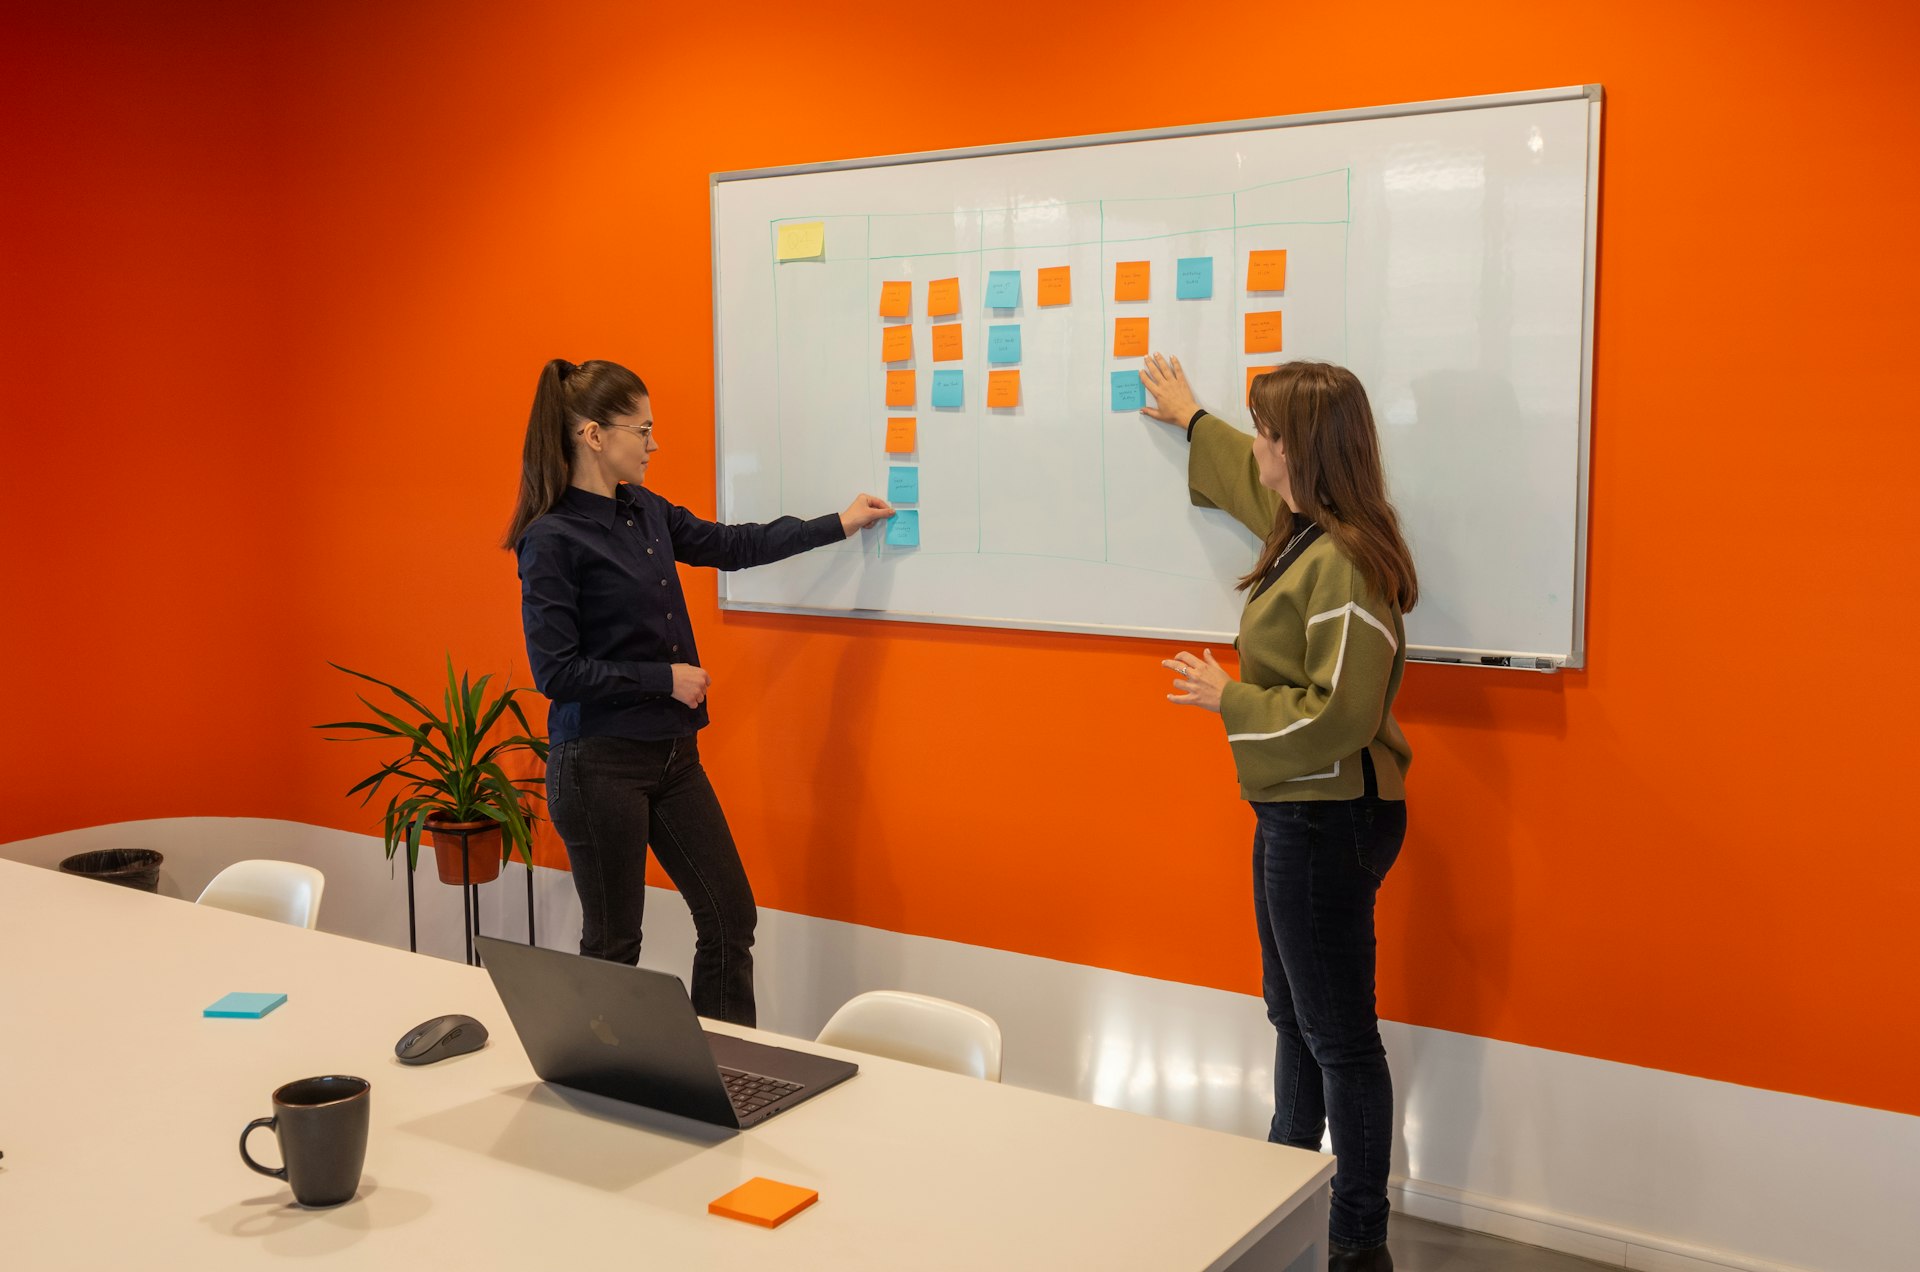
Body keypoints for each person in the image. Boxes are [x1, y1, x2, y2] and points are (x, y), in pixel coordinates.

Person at [504, 358, 893, 1027]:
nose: (654, 445)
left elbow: (731, 544)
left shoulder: (645, 511)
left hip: (673, 757)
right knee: (614, 944)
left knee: (729, 915)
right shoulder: (551, 539)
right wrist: (664, 678)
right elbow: (556, 673)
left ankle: (721, 1071)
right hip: (597, 765)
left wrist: (838, 522)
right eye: (643, 430)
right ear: (594, 435)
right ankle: (599, 1086)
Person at [1140, 353, 1416, 1272]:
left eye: (1265, 432)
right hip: (1300, 813)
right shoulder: (1305, 532)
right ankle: (1281, 1190)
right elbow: (1247, 490)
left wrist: (1229, 700)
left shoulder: (1345, 566)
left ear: (1298, 450)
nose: (1255, 445)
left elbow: (1342, 713)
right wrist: (1191, 420)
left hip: (1329, 816)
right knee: (1294, 1017)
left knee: (1339, 1037)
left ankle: (1356, 1241)